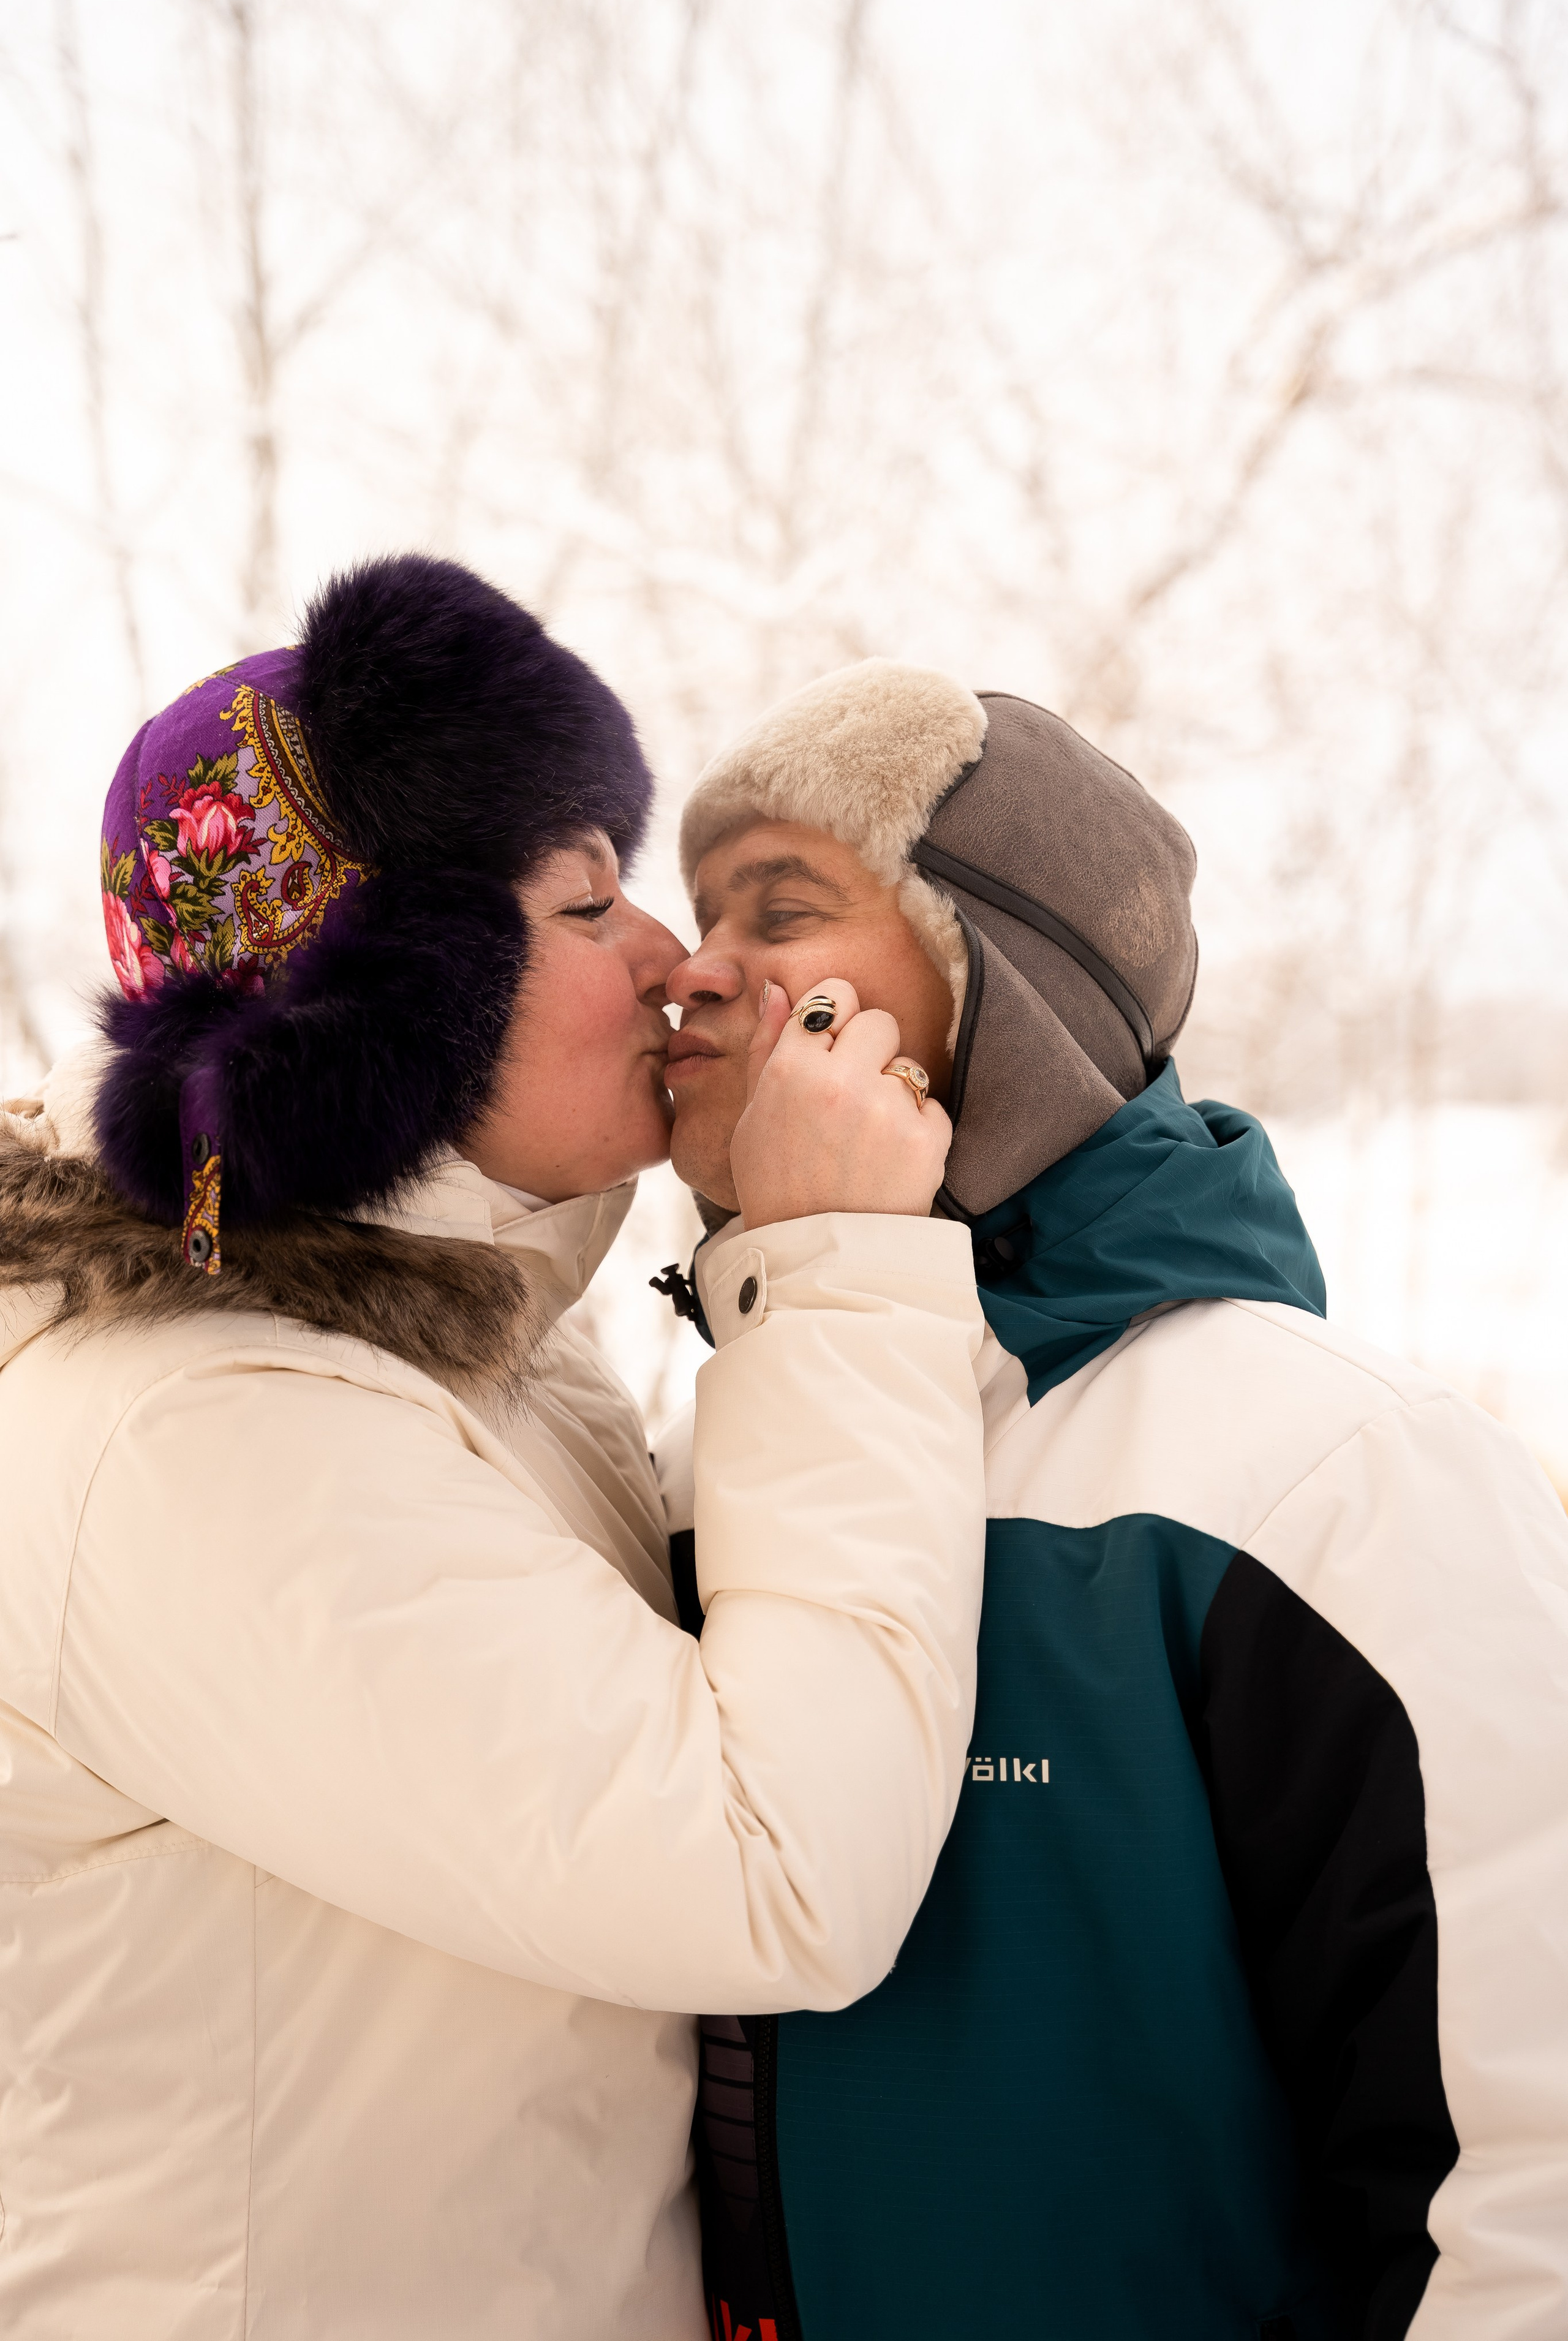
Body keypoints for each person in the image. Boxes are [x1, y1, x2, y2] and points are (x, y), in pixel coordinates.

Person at [0, 565, 990, 2339]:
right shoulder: (196, 1427)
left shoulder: (472, 1350)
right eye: (587, 900)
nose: (675, 959)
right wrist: (836, 1274)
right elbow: (781, 1868)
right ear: (389, 1001)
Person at [657, 659, 1568, 2341]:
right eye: (693, 911)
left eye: (780, 911)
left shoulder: (1327, 1476)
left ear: (1001, 974)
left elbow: (1522, 2179)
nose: (692, 974)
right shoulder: (726, 1465)